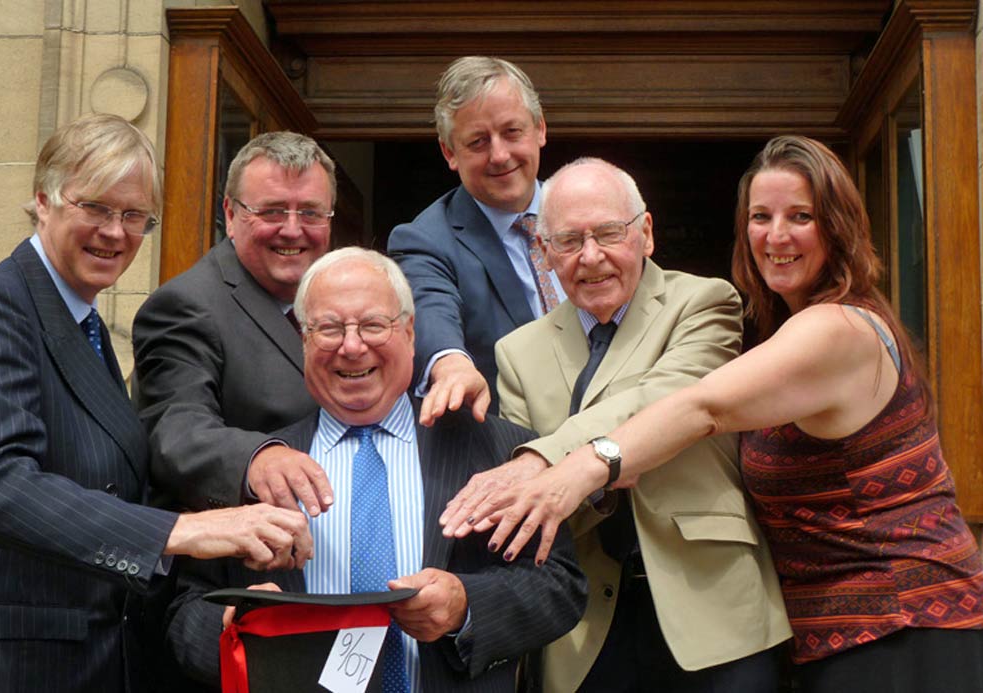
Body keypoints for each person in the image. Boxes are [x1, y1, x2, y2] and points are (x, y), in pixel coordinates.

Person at [450, 136, 983, 693]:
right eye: (761, 216)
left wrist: (570, 465)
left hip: (903, 617)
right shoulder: (782, 329)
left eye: (801, 216)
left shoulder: (834, 328)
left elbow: (700, 404)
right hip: (833, 631)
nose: (776, 235)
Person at [0, 113, 312, 693]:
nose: (115, 232)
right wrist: (179, 532)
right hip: (8, 667)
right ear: (43, 200)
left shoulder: (82, 323)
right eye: (95, 207)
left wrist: (225, 557)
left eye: (134, 216)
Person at [166, 248, 586, 692]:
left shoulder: (493, 448)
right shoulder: (254, 466)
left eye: (372, 325)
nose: (351, 346)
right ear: (303, 338)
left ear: (409, 331)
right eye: (328, 328)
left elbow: (560, 586)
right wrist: (232, 627)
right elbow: (185, 613)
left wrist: (466, 606)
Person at [442, 158, 789, 692]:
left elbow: (668, 397)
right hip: (584, 623)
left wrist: (549, 458)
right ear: (544, 251)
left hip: (713, 606)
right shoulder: (518, 354)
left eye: (608, 233)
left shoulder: (703, 302)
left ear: (645, 233)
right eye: (568, 240)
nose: (591, 257)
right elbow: (529, 507)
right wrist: (596, 487)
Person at [133, 131, 336, 515]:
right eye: (272, 211)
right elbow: (177, 430)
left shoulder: (337, 296)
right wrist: (257, 459)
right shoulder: (185, 305)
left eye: (310, 212)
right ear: (230, 214)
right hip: (242, 563)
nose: (292, 229)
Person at [387, 56, 565, 424]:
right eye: (478, 142)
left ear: (540, 129)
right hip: (513, 449)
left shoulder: (594, 206)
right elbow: (430, 308)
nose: (499, 155)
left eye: (512, 132)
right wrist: (451, 364)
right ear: (450, 152)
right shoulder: (425, 240)